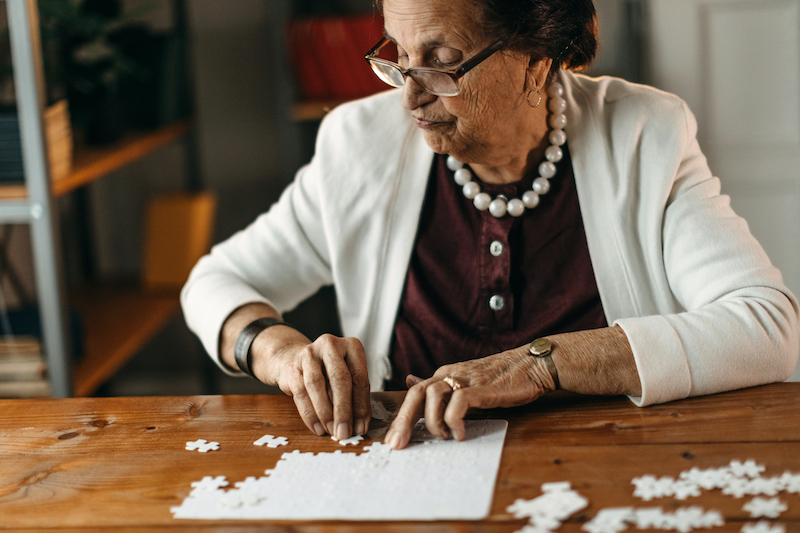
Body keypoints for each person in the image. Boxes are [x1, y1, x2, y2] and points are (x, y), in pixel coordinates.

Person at [181, 0, 799, 450]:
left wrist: (538, 364)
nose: (409, 97)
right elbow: (217, 281)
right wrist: (281, 353)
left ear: (537, 63)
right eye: (398, 56)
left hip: (608, 470)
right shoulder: (359, 144)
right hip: (409, 481)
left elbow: (767, 326)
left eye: (441, 64)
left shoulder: (646, 134)